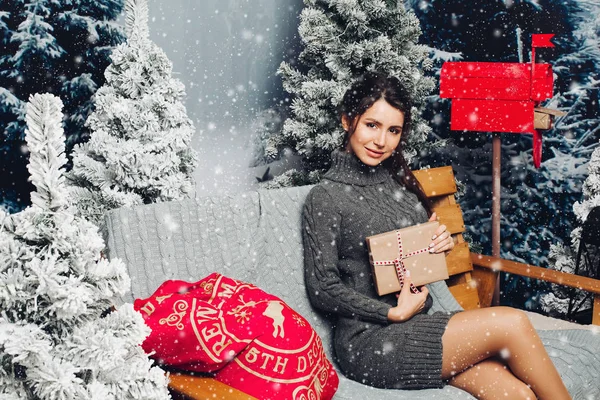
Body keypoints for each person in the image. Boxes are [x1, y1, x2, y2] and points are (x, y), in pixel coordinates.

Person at [301, 72, 571, 399]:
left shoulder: (398, 183)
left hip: (418, 324)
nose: (381, 141)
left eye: (393, 130)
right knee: (512, 324)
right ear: (348, 121)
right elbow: (323, 287)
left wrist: (435, 247)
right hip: (369, 341)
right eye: (371, 125)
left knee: (515, 394)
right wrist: (392, 312)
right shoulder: (326, 196)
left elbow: (406, 262)